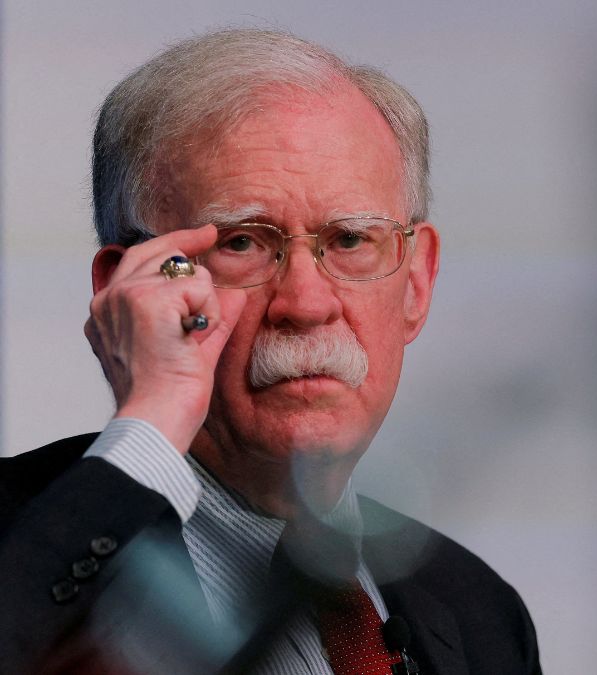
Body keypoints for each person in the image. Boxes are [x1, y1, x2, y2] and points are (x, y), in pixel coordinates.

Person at [0, 28, 540, 674]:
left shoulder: (481, 613)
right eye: (242, 244)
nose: (307, 303)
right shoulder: (24, 550)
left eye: (349, 240)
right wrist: (149, 424)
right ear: (125, 288)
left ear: (416, 284)